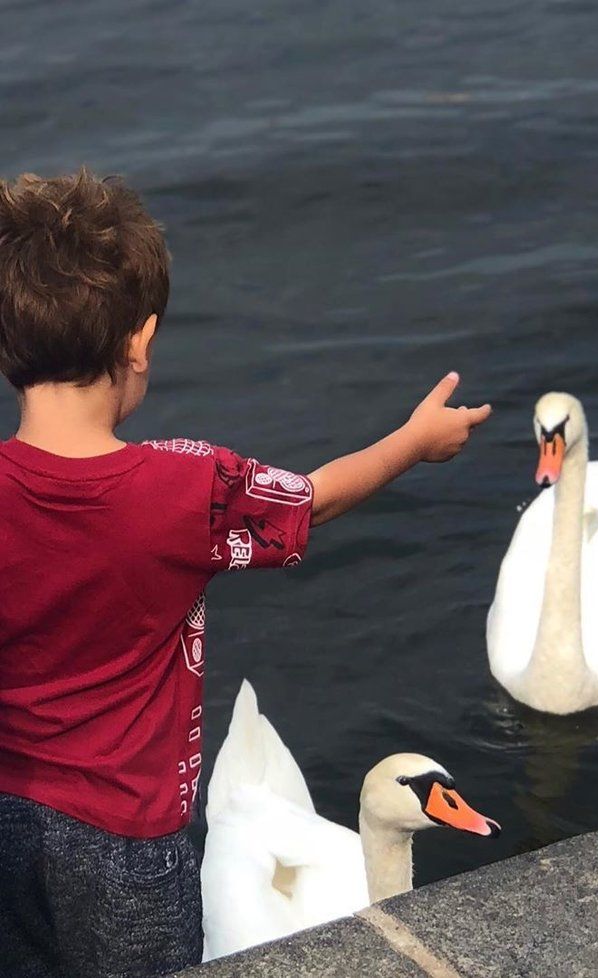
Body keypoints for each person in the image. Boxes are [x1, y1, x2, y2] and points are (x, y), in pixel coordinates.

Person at [0, 169, 491, 978]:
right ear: (140, 341)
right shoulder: (186, 487)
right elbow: (316, 500)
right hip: (130, 839)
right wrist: (416, 440)